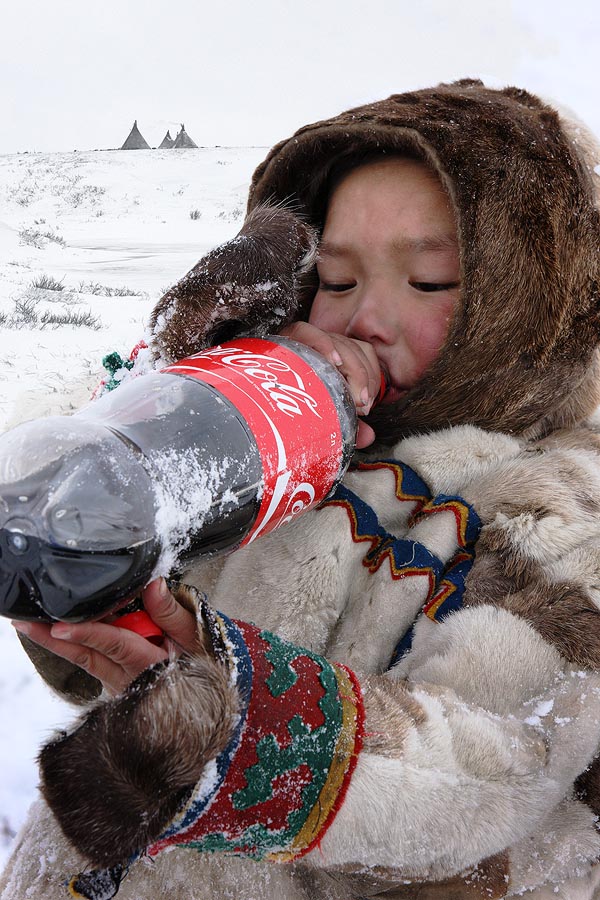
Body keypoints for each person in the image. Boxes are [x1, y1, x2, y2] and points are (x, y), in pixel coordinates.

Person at [3, 78, 600, 899]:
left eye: (429, 282)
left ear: (535, 305)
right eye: (336, 279)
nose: (364, 320)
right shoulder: (277, 437)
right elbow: (81, 638)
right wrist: (178, 400)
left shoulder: (560, 509)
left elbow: (499, 757)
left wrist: (242, 734)